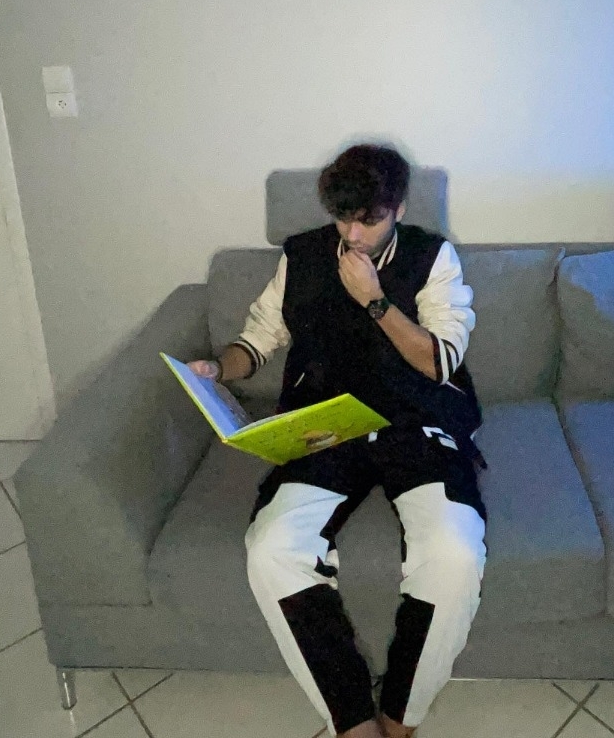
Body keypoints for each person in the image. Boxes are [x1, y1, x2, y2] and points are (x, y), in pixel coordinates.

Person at [189, 144, 486, 738]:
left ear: (398, 209)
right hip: (327, 423)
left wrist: (376, 301)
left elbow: (440, 361)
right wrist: (218, 370)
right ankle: (352, 722)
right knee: (272, 548)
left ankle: (399, 719)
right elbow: (258, 340)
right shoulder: (301, 255)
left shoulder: (434, 257)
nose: (352, 234)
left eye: (368, 220)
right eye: (342, 218)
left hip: (413, 418)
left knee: (454, 552)